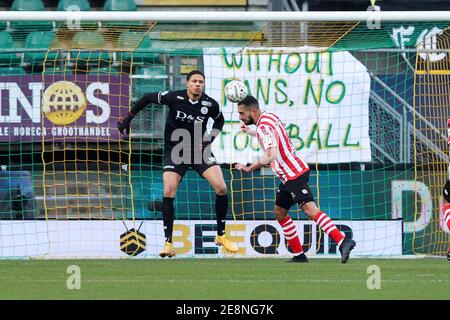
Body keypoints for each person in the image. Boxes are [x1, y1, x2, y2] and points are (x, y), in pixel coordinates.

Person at [117, 70, 238, 258]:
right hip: (176, 150)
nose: (198, 84)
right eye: (194, 81)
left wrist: (210, 138)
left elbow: (219, 120)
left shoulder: (209, 104)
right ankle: (168, 244)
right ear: (187, 83)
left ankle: (221, 235)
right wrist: (128, 118)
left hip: (200, 151)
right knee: (169, 190)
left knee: (221, 187)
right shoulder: (174, 97)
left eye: (201, 82)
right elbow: (148, 97)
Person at [235, 95, 356, 263]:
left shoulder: (263, 127)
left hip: (293, 174)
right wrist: (250, 132)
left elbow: (270, 155)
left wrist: (249, 168)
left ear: (253, 111)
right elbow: (269, 135)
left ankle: (342, 241)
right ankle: (299, 254)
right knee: (280, 212)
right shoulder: (270, 117)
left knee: (310, 210)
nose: (240, 117)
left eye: (242, 113)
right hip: (289, 174)